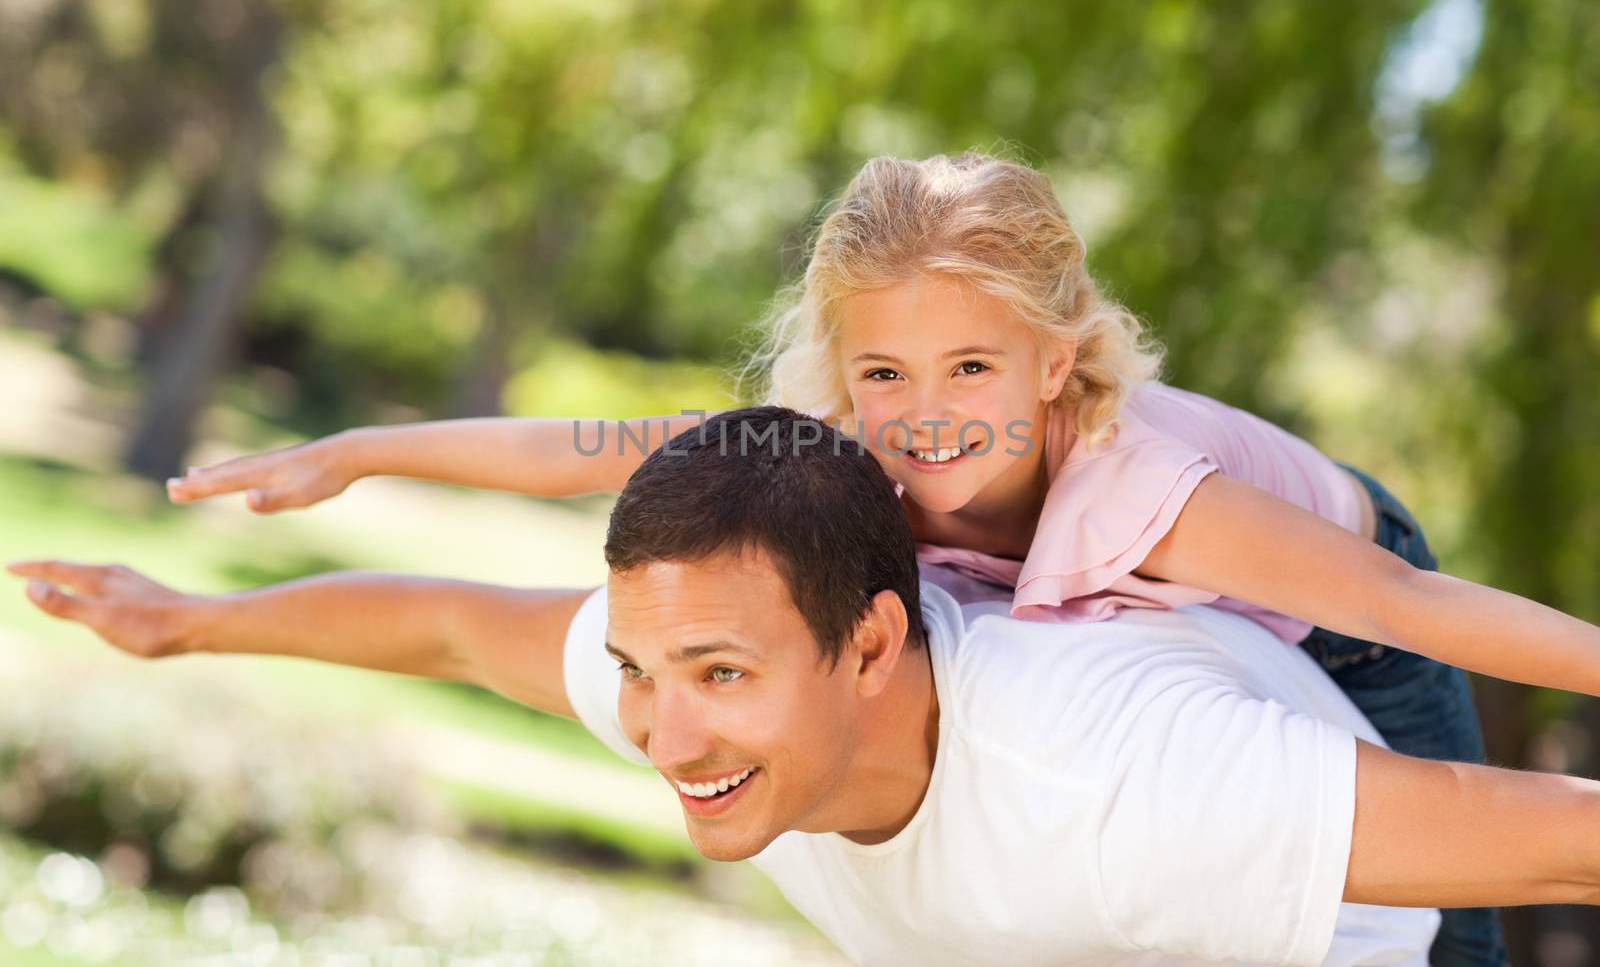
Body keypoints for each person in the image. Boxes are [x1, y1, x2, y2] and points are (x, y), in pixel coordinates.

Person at [166, 154, 1600, 963]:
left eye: (973, 364)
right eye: (888, 373)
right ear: (840, 374)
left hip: (1343, 620)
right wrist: (359, 451)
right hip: (1117, 645)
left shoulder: (1147, 492)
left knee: (1440, 905)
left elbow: (1411, 602)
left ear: (1059, 360)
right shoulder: (837, 458)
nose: (928, 415)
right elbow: (579, 449)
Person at [14, 408, 1600, 967]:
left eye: (712, 676)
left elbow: (1561, 831)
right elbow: (445, 626)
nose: (663, 733)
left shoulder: (1121, 781)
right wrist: (186, 624)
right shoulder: (728, 624)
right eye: (641, 673)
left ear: (870, 648)